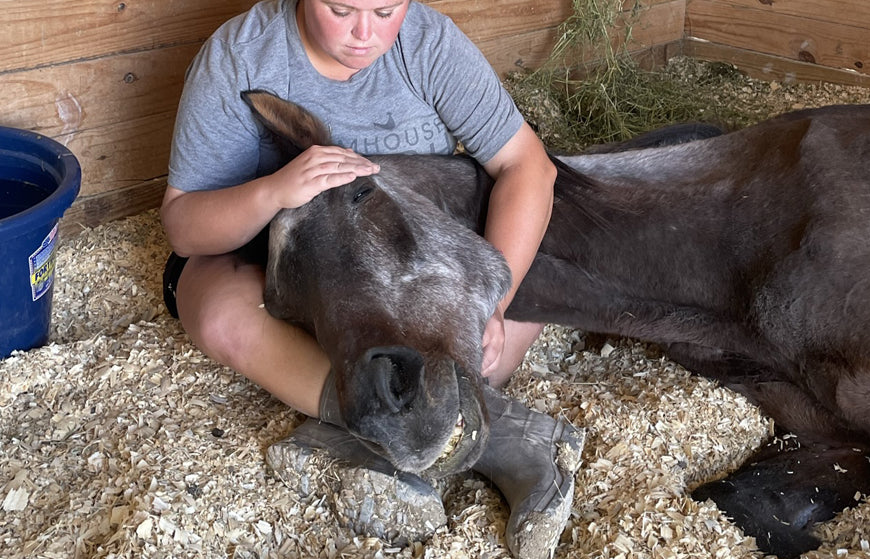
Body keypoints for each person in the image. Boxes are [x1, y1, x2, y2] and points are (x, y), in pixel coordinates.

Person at [161, 0, 583, 556]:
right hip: (294, 264)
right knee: (214, 310)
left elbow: (528, 166)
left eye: (386, 11)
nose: (365, 33)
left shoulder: (429, 44)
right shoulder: (243, 53)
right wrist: (274, 192)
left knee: (524, 272)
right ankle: (505, 435)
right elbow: (184, 228)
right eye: (340, 9)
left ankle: (360, 435)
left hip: (418, 263)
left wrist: (492, 304)